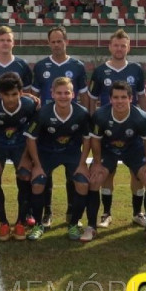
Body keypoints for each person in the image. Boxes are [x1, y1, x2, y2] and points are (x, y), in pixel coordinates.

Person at [87, 29, 146, 229]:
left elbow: (141, 96)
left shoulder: (136, 69)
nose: (119, 48)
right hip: (107, 131)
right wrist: (91, 123)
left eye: (123, 45)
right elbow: (92, 99)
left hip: (132, 129)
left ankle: (138, 212)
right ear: (110, 46)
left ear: (128, 47)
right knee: (107, 173)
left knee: (137, 174)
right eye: (116, 45)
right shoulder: (99, 71)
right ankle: (106, 214)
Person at [87, 81, 146, 243]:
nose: (119, 101)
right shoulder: (100, 115)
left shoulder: (142, 118)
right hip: (108, 149)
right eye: (116, 97)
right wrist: (97, 163)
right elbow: (95, 141)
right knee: (96, 178)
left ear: (130, 98)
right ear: (110, 99)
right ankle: (97, 221)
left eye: (123, 97)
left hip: (134, 149)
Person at [22, 76, 91, 241]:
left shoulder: (81, 113)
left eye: (66, 93)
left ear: (73, 94)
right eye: (59, 93)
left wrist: (82, 164)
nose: (63, 96)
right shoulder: (43, 113)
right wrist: (37, 165)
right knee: (37, 183)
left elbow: (88, 139)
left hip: (71, 152)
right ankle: (39, 224)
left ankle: (74, 223)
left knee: (82, 183)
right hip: (47, 153)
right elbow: (31, 138)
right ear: (52, 94)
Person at [0, 72, 38, 241]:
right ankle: (4, 223)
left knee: (25, 177)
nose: (11, 99)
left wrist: (27, 157)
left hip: (20, 144)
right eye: (6, 95)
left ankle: (20, 222)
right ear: (0, 94)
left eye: (14, 94)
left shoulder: (30, 105)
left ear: (21, 92)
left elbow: (32, 132)